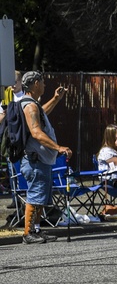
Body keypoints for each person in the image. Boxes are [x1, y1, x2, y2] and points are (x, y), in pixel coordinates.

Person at [18, 71, 71, 244]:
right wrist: (58, 147)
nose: (45, 85)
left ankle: (36, 230)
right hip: (35, 161)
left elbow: (42, 113)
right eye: (42, 82)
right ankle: (27, 233)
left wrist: (56, 99)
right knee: (35, 196)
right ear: (35, 83)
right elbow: (36, 132)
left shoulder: (33, 105)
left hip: (40, 160)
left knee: (40, 197)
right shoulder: (30, 106)